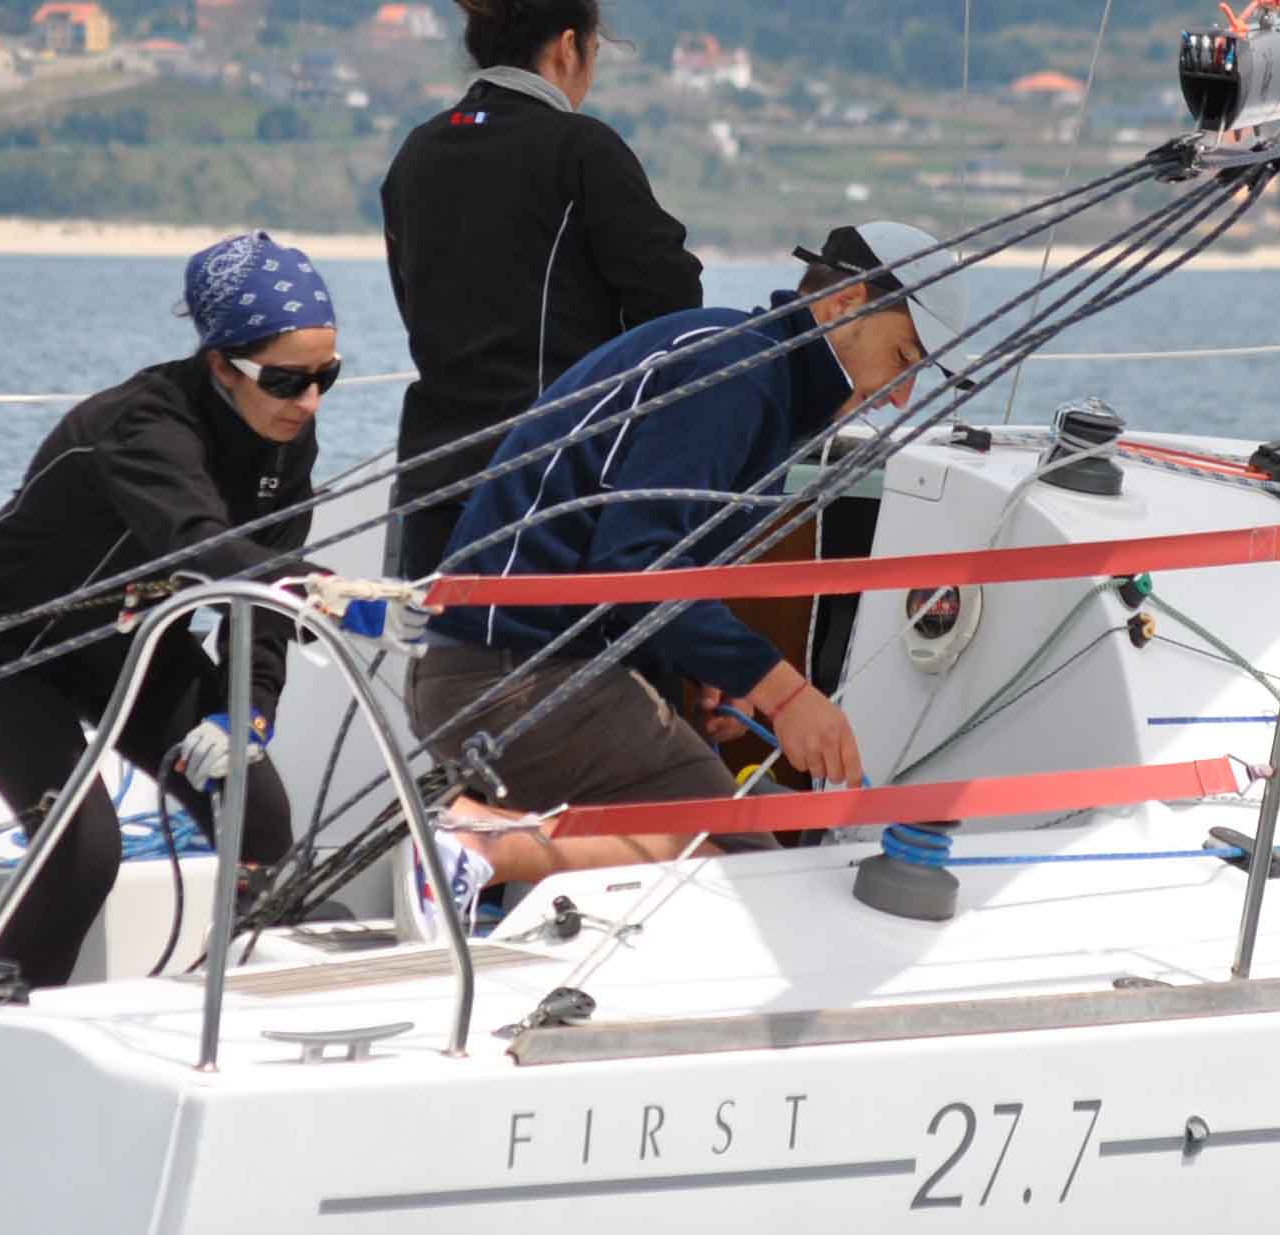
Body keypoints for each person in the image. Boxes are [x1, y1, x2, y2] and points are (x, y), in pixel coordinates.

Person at [408, 221, 961, 903]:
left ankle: (486, 852)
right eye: (904, 357)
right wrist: (785, 695)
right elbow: (635, 567)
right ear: (844, 305)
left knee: (713, 855)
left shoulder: (751, 364)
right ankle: (478, 844)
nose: (901, 396)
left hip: (498, 670)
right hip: (514, 679)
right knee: (739, 865)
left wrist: (712, 669)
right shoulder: (742, 377)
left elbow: (639, 558)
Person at [0, 232, 335, 990]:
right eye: (287, 381)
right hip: (5, 651)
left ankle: (246, 1006)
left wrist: (248, 711)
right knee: (84, 852)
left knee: (261, 821)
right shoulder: (143, 426)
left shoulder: (288, 435)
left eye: (326, 376)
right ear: (221, 364)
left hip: (131, 646)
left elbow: (260, 597)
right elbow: (200, 544)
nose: (309, 401)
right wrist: (326, 590)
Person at [378, 0, 702, 579]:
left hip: (433, 483)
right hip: (545, 484)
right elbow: (672, 306)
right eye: (594, 52)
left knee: (442, 645)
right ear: (567, 46)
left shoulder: (417, 152)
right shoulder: (581, 150)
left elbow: (414, 304)